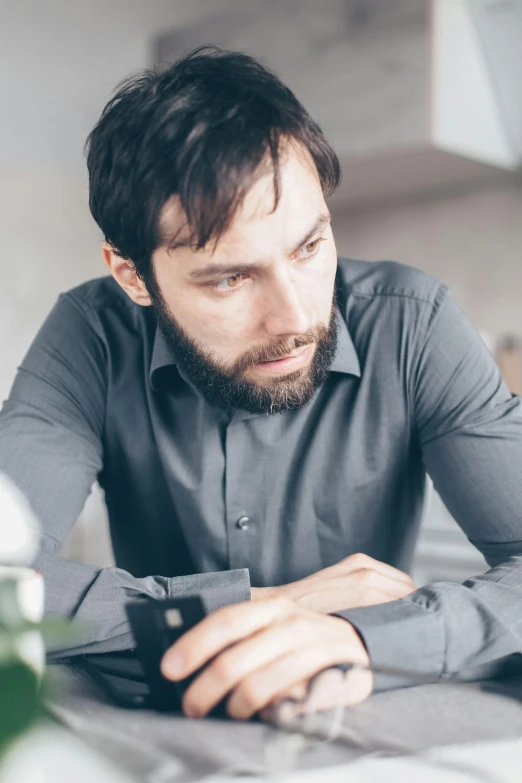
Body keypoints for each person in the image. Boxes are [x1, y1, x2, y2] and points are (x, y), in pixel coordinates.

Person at [1, 46, 522, 722]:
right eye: (230, 277)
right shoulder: (89, 336)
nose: (299, 317)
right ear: (133, 276)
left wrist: (362, 639)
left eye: (309, 247)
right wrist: (272, 604)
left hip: (359, 724)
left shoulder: (415, 326)